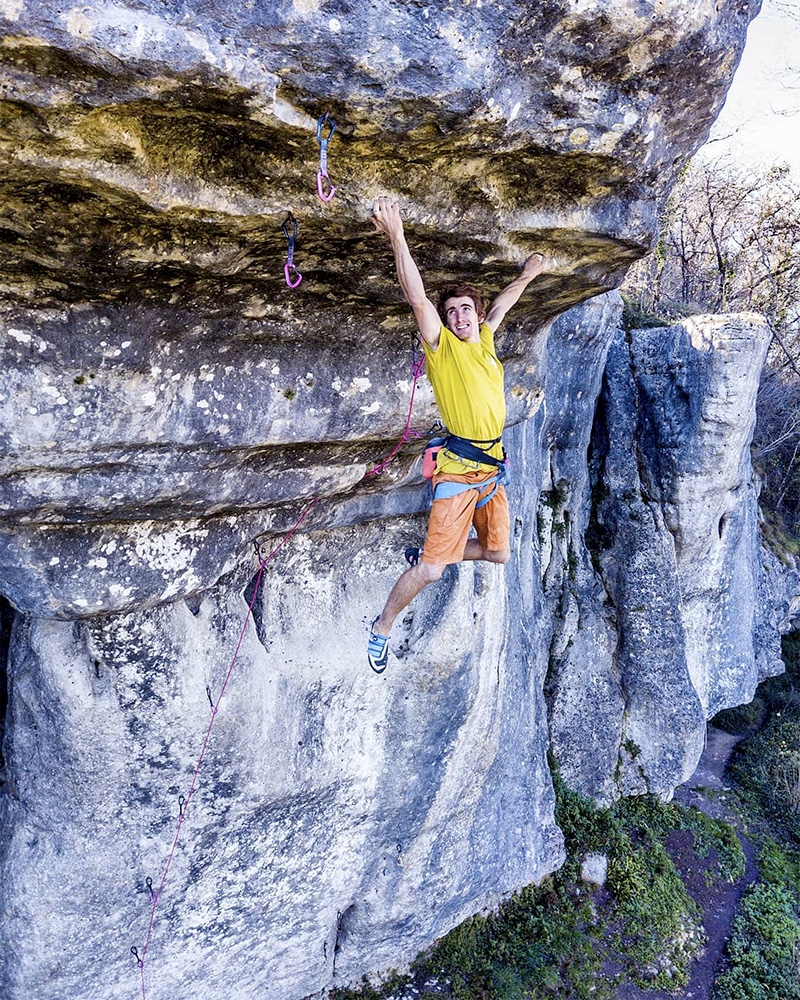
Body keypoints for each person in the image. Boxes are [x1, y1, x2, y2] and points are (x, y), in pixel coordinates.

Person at [367, 197, 545, 673]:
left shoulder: (485, 339)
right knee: (431, 570)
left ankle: (434, 550)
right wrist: (397, 234)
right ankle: (381, 626)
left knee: (499, 553)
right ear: (445, 322)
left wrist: (528, 274)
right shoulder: (443, 347)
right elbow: (417, 298)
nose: (459, 316)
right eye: (453, 312)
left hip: (492, 472)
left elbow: (502, 304)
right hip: (460, 471)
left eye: (466, 309)